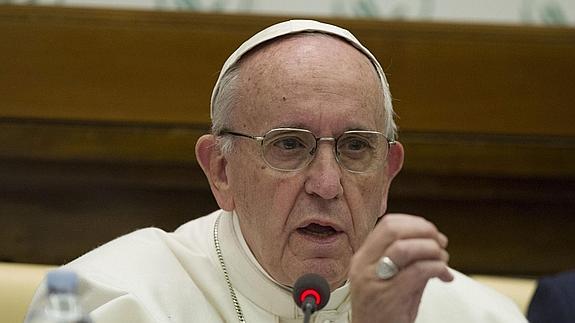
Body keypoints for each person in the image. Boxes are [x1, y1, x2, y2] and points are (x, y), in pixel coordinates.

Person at [27, 19, 526, 322]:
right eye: (289, 146)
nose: (327, 185)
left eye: (356, 147)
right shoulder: (115, 304)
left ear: (388, 174)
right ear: (221, 170)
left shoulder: (479, 316)